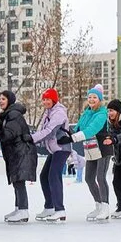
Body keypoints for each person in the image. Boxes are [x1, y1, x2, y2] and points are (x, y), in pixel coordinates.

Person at [58, 86, 112, 221]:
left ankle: (105, 207)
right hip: (90, 149)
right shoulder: (87, 113)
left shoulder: (102, 114)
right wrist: (67, 132)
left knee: (100, 177)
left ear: (100, 99)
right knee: (89, 178)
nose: (92, 99)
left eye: (95, 97)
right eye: (90, 97)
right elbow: (79, 128)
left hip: (102, 148)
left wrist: (72, 138)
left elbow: (91, 130)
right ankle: (98, 205)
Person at [0, 90, 37, 223]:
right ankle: (18, 208)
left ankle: (23, 210)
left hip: (21, 151)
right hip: (16, 152)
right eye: (0, 99)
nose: (0, 101)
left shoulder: (13, 114)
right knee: (17, 180)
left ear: (10, 101)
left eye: (3, 99)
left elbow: (9, 134)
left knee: (19, 181)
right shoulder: (9, 115)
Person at [30, 88, 71, 221]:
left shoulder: (58, 113)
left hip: (61, 147)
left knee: (54, 175)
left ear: (54, 100)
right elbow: (41, 129)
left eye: (48, 99)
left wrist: (31, 138)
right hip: (54, 149)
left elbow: (49, 131)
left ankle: (60, 209)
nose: (45, 102)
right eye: (44, 99)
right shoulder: (48, 112)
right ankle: (49, 207)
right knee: (44, 176)